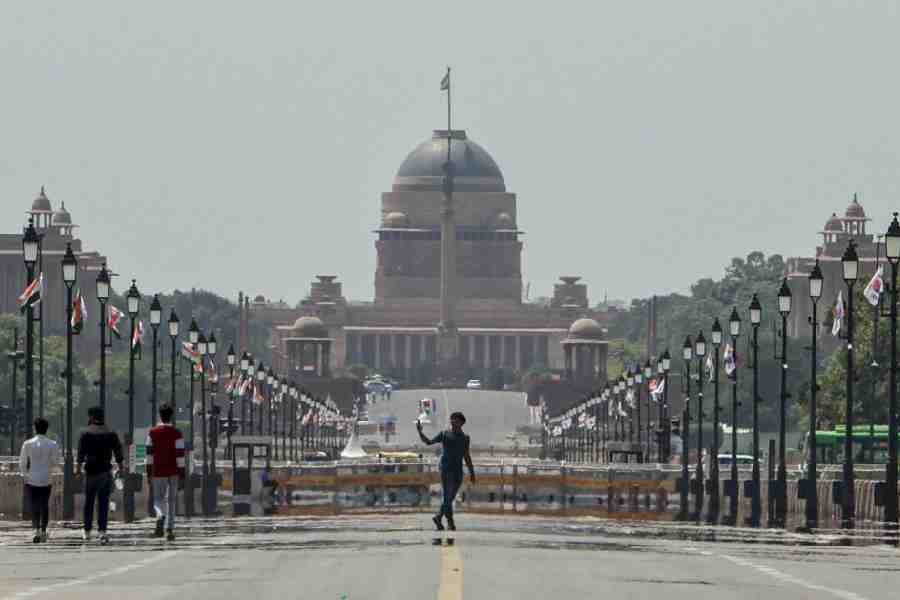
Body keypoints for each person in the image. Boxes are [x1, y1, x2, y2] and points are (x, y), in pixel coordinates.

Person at [417, 411, 475, 531]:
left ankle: (442, 519)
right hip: (446, 469)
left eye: (455, 419)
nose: (452, 421)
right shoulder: (444, 434)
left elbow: (466, 456)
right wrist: (420, 431)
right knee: (448, 497)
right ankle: (447, 520)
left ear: (461, 423)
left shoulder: (465, 438)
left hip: (458, 471)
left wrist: (472, 472)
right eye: (452, 419)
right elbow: (428, 442)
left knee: (450, 498)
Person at [77, 407, 124, 544]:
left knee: (89, 503)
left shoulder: (85, 433)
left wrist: (78, 470)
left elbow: (80, 454)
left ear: (91, 417)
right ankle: (102, 532)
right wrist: (121, 468)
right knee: (103, 503)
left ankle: (87, 531)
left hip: (90, 472)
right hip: (104, 473)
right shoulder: (111, 433)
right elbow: (118, 453)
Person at [146, 403, 185, 541]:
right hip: (173, 471)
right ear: (171, 416)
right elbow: (180, 455)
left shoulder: (152, 432)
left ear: (159, 415)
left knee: (157, 499)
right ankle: (170, 529)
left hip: (158, 471)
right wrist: (182, 474)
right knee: (172, 501)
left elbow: (149, 456)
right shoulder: (177, 433)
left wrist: (148, 472)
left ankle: (160, 515)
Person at [19, 417, 60, 543]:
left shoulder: (27, 443)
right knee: (44, 504)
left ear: (34, 428)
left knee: (34, 505)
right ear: (46, 429)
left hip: (32, 478)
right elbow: (55, 462)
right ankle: (43, 530)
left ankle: (35, 529)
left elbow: (22, 462)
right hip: (46, 479)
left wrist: (25, 475)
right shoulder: (52, 444)